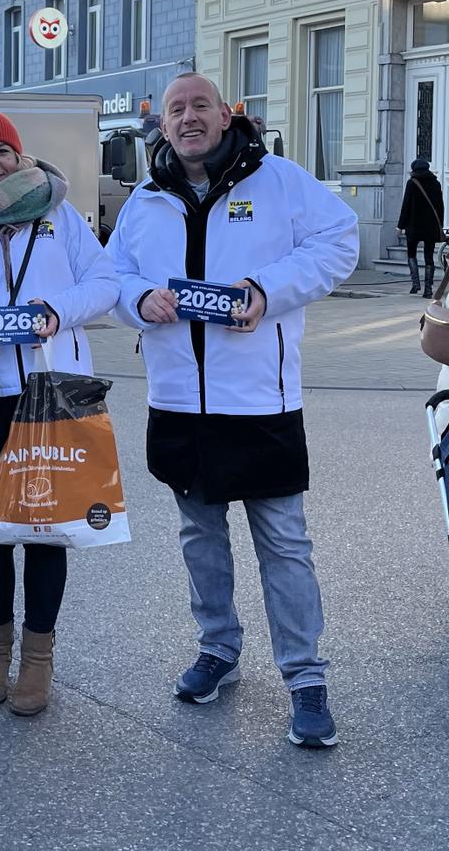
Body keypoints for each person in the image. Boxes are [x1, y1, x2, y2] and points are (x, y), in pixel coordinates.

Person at [108, 72, 358, 749]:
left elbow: (340, 241)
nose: (188, 118)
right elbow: (112, 277)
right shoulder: (146, 200)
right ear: (162, 126)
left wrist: (266, 290)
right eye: (175, 110)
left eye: (200, 106)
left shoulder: (278, 180)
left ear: (225, 115)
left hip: (260, 399)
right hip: (178, 402)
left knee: (283, 543)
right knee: (200, 537)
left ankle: (306, 679)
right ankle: (217, 648)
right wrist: (139, 300)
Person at [0, 111, 118, 714]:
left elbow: (106, 281)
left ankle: (37, 660)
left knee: (47, 527)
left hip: (56, 388)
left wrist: (54, 311)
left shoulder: (57, 212)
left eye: (1, 151)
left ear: (20, 155)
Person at [397, 158, 444, 297]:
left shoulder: (412, 183)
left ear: (414, 169)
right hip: (430, 227)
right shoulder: (436, 183)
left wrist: (400, 225)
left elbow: (406, 206)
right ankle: (428, 289)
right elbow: (440, 207)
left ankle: (415, 284)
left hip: (414, 226)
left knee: (411, 253)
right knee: (429, 256)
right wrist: (439, 225)